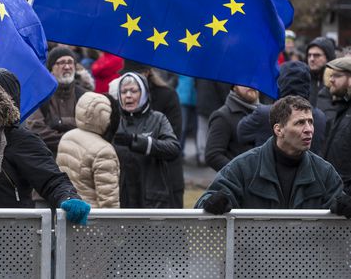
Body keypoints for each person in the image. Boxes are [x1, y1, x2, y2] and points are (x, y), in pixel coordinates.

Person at [0, 67, 90, 224]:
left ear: (0, 102)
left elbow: (51, 179)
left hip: (11, 237)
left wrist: (69, 198)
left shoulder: (19, 139)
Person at [196, 95, 351, 217]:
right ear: (279, 130)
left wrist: (342, 206)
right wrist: (213, 203)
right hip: (252, 256)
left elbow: (338, 200)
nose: (309, 129)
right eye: (300, 123)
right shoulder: (244, 166)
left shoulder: (324, 171)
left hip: (304, 256)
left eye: (310, 122)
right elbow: (203, 203)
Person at [119, 60, 185, 208]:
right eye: (124, 91)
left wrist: (140, 141)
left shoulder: (166, 99)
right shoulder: (119, 111)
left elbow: (174, 142)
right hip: (129, 184)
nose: (128, 95)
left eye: (134, 90)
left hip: (165, 177)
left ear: (147, 73)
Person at [237, 61, 326, 154]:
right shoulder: (320, 117)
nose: (308, 129)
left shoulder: (264, 113)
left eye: (309, 122)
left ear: (280, 82)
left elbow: (241, 134)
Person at [57, 92, 120, 208]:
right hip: (91, 219)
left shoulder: (67, 137)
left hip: (68, 213)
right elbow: (109, 200)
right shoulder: (104, 150)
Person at [25, 46, 90, 157]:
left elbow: (89, 127)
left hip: (80, 159)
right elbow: (37, 130)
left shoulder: (85, 96)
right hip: (48, 160)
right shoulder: (40, 95)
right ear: (51, 69)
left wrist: (58, 123)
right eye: (61, 63)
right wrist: (74, 139)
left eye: (70, 62)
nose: (67, 66)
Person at [204, 85, 258, 171]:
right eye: (244, 80)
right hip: (238, 182)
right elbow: (213, 155)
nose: (251, 85)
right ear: (234, 87)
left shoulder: (264, 113)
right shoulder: (223, 116)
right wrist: (239, 173)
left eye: (255, 81)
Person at [319, 57, 351, 194]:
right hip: (335, 195)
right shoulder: (343, 110)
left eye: (337, 76)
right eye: (331, 75)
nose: (331, 80)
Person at [306, 36, 335, 108]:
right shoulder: (303, 79)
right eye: (309, 55)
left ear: (328, 57)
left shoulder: (336, 81)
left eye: (317, 55)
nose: (311, 59)